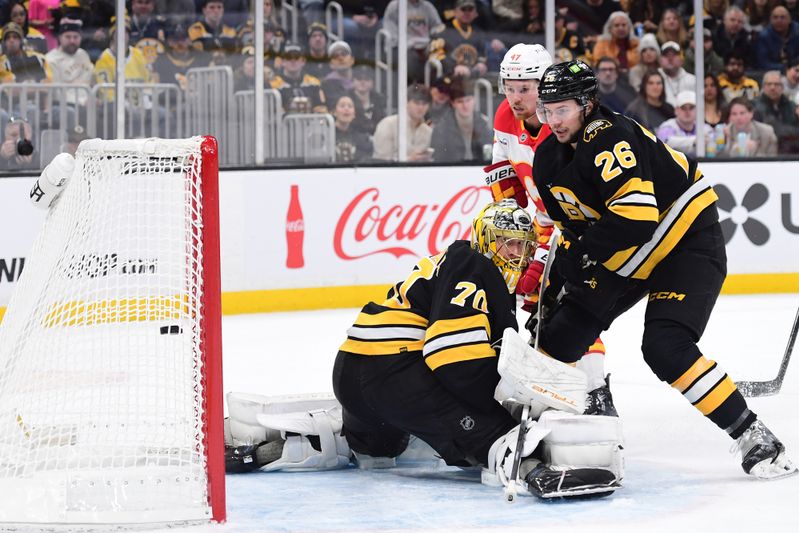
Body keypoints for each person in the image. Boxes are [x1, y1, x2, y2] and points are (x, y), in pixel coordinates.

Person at [223, 199, 624, 499]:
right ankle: (530, 467)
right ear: (485, 239)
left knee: (384, 446)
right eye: (507, 244)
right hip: (394, 374)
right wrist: (504, 411)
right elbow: (450, 356)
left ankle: (305, 444)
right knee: (497, 434)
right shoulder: (475, 265)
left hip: (353, 370)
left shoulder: (456, 265)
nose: (516, 255)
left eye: (522, 247)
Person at [531, 59, 797, 480]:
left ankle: (754, 435)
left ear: (587, 103)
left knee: (665, 347)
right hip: (626, 254)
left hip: (684, 242)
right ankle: (512, 430)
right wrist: (563, 275)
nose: (552, 120)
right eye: (546, 110)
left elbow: (636, 218)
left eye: (561, 109)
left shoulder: (611, 136)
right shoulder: (546, 159)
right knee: (554, 338)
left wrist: (582, 255)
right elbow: (574, 230)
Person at [486, 43, 613, 406]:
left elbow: (571, 210)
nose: (515, 96)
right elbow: (505, 178)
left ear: (544, 86)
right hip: (543, 225)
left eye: (524, 87)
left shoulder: (565, 129)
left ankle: (596, 391)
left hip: (579, 228)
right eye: (509, 87)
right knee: (536, 306)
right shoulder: (504, 118)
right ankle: (547, 382)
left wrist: (543, 255)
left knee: (573, 307)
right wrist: (514, 231)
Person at [430, 76, 492, 163]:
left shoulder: (483, 124)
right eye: (460, 101)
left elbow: (489, 155)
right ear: (453, 103)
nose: (465, 106)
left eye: (468, 100)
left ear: (474, 100)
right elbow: (439, 160)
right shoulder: (441, 129)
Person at [372, 83, 433, 162]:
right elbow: (380, 161)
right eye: (416, 103)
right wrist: (409, 160)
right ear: (406, 102)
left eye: (424, 104)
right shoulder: (388, 124)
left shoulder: (428, 131)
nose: (420, 107)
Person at [428, 0, 488, 79]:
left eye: (470, 9)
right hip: (447, 78)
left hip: (472, 78)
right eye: (463, 9)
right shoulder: (443, 32)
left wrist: (481, 64)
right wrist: (453, 67)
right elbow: (435, 54)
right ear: (455, 12)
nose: (467, 13)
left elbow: (482, 56)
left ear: (475, 13)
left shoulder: (478, 34)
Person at [656, 90, 708, 157]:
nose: (687, 111)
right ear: (676, 110)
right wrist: (694, 141)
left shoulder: (704, 128)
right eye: (683, 108)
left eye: (691, 108)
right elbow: (665, 141)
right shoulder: (667, 126)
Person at [754, 4, 799, 72]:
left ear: (790, 19)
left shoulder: (798, 32)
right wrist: (785, 67)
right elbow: (763, 63)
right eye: (775, 17)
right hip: (772, 72)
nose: (779, 20)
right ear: (770, 20)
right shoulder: (764, 37)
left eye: (782, 17)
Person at [331, 93, 372, 163]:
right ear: (334, 112)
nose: (346, 109)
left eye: (350, 106)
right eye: (342, 106)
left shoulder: (363, 139)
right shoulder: (326, 136)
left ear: (354, 114)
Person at [657, 41, 695, 108]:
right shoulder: (654, 79)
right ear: (660, 60)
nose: (670, 58)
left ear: (682, 59)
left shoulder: (693, 80)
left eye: (674, 55)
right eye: (666, 55)